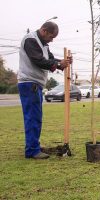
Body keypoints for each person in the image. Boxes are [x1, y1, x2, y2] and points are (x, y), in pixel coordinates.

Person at [17, 22, 72, 159]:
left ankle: (34, 146)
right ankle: (32, 150)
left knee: (36, 117)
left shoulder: (43, 45)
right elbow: (39, 61)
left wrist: (62, 62)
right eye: (51, 36)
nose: (52, 40)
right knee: (32, 118)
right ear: (44, 30)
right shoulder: (31, 40)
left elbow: (50, 60)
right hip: (29, 83)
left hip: (34, 84)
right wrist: (59, 64)